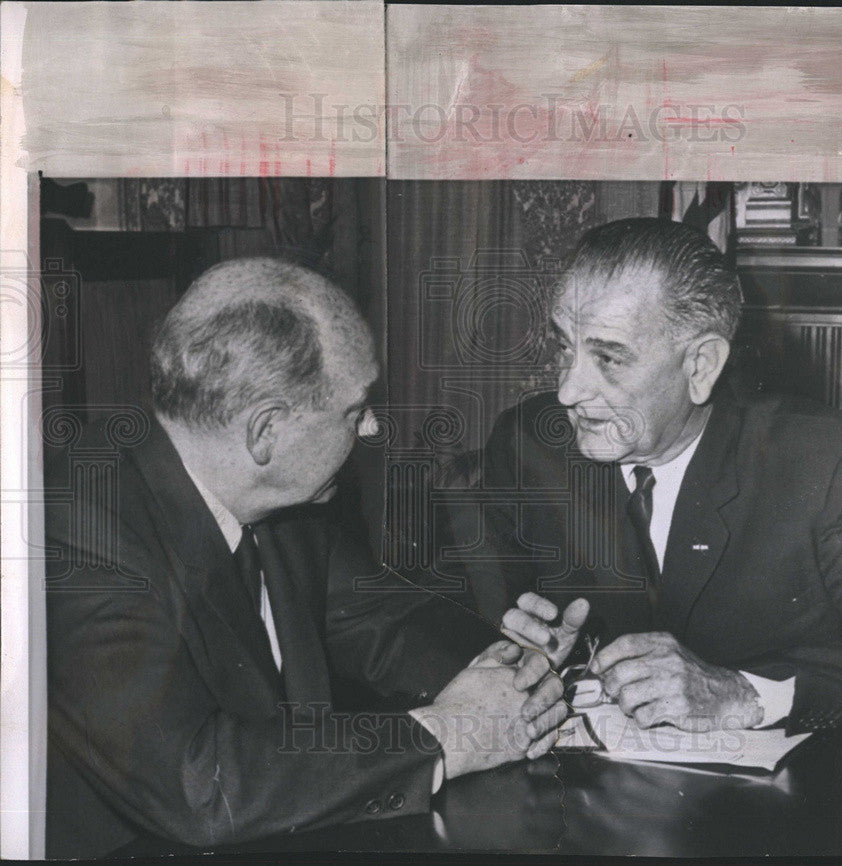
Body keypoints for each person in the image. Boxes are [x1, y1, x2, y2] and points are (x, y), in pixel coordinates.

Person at [45, 258, 567, 858]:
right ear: (266, 431)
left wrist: (516, 669)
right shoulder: (78, 528)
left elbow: (384, 622)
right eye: (354, 410)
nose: (371, 429)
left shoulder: (286, 502)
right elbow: (198, 786)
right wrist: (447, 735)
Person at [471, 218, 842, 735]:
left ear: (700, 366)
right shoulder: (529, 444)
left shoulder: (831, 460)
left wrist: (746, 695)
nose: (568, 391)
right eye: (565, 347)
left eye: (608, 357)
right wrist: (520, 654)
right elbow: (471, 622)